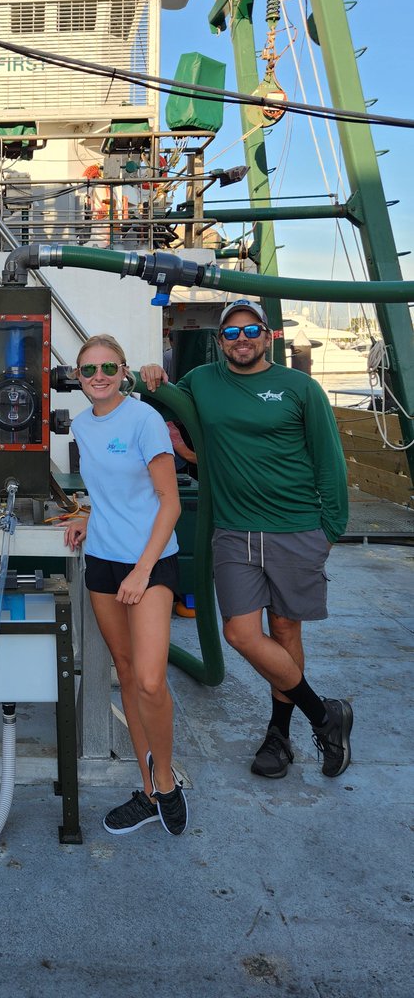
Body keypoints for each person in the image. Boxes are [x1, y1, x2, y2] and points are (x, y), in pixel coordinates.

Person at [141, 298, 352, 780]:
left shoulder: (299, 387)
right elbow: (162, 408)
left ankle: (279, 735)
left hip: (296, 528)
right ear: (219, 342)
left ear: (268, 336)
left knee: (284, 632)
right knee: (239, 633)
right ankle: (324, 715)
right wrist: (153, 376)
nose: (241, 340)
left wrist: (330, 532)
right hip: (234, 529)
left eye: (250, 331)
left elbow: (329, 462)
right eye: (231, 334)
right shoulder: (202, 381)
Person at [64, 334, 188, 836]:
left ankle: (166, 781)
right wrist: (87, 516)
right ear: (77, 376)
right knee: (126, 669)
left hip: (150, 563)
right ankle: (146, 787)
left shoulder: (144, 419)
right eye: (89, 369)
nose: (98, 376)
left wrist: (141, 570)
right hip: (102, 562)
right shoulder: (80, 425)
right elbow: (106, 490)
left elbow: (170, 503)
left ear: (122, 372)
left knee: (151, 680)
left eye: (108, 367)